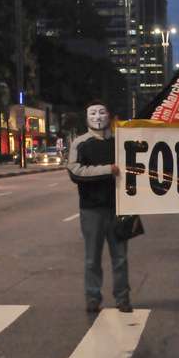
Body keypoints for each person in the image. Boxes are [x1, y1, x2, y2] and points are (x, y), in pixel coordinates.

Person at [68, 100, 133, 313]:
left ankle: (123, 298)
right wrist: (107, 170)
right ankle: (93, 298)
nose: (97, 117)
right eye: (93, 113)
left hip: (120, 209)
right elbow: (75, 172)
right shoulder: (80, 143)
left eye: (102, 113)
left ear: (109, 116)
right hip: (91, 210)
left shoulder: (122, 142)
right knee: (92, 259)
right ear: (86, 118)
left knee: (121, 258)